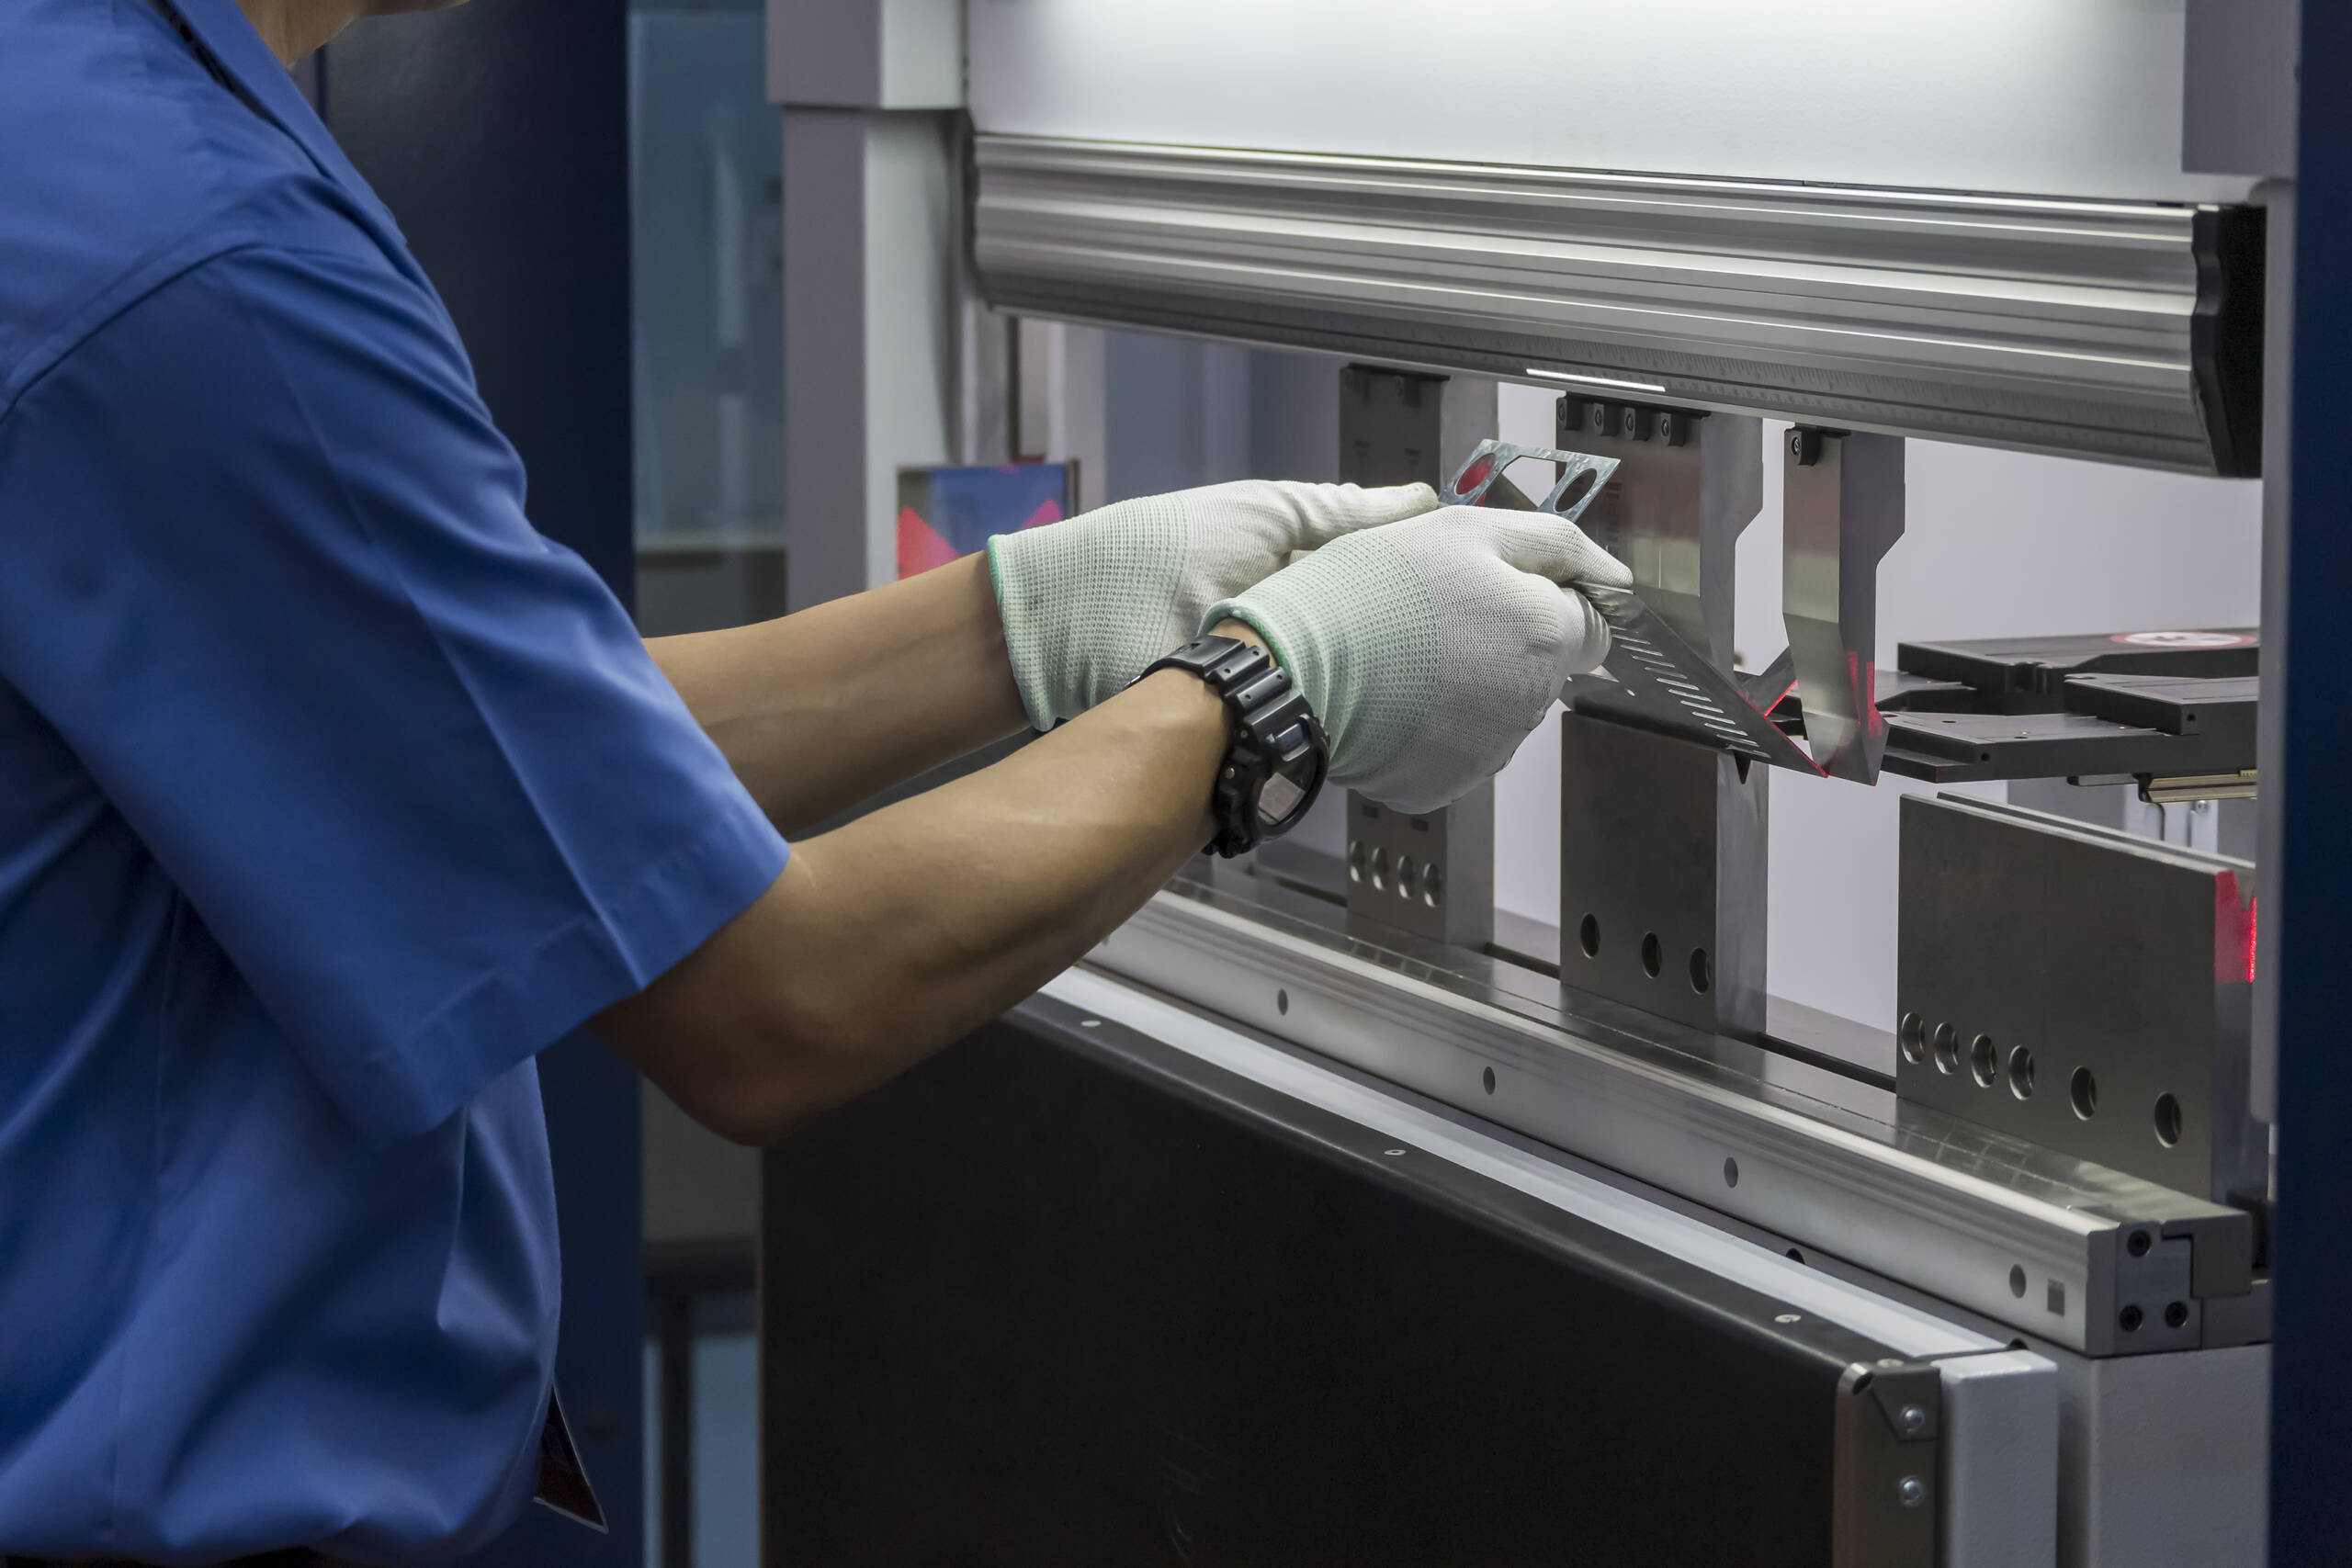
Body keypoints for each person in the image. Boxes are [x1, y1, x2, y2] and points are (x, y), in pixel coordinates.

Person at [0, 0, 1629, 1562]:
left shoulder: (86, 134)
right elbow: (772, 1001)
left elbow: (482, 753)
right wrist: (1280, 689)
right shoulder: (194, 263)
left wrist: (1042, 615)